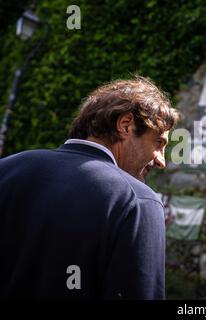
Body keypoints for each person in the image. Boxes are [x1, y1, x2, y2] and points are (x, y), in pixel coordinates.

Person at [0, 76, 179, 299]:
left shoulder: (7, 168)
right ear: (125, 125)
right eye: (159, 143)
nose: (161, 161)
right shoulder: (138, 201)